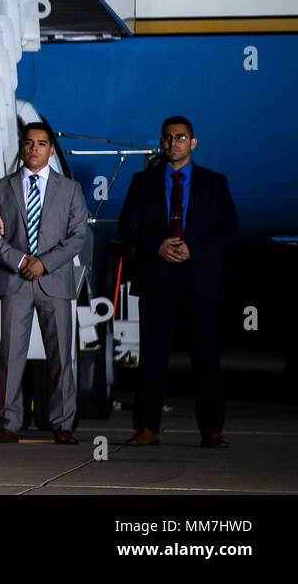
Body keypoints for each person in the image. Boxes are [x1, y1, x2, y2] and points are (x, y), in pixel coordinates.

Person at [119, 116, 238, 448]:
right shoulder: (142, 181)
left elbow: (230, 227)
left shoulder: (215, 182)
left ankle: (212, 429)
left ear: (193, 142)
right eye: (168, 138)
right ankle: (147, 428)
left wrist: (194, 249)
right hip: (157, 278)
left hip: (200, 280)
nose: (174, 143)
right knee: (153, 357)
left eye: (181, 137)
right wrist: (156, 244)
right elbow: (127, 226)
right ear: (161, 142)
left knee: (206, 358)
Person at [0, 123, 89, 444]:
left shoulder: (70, 189)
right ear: (22, 146)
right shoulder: (0, 187)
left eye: (41, 143)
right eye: (29, 143)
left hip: (54, 280)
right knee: (10, 357)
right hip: (14, 278)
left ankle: (62, 424)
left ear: (50, 149)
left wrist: (43, 263)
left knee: (61, 357)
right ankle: (7, 423)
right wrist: (19, 261)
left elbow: (78, 237)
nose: (34, 149)